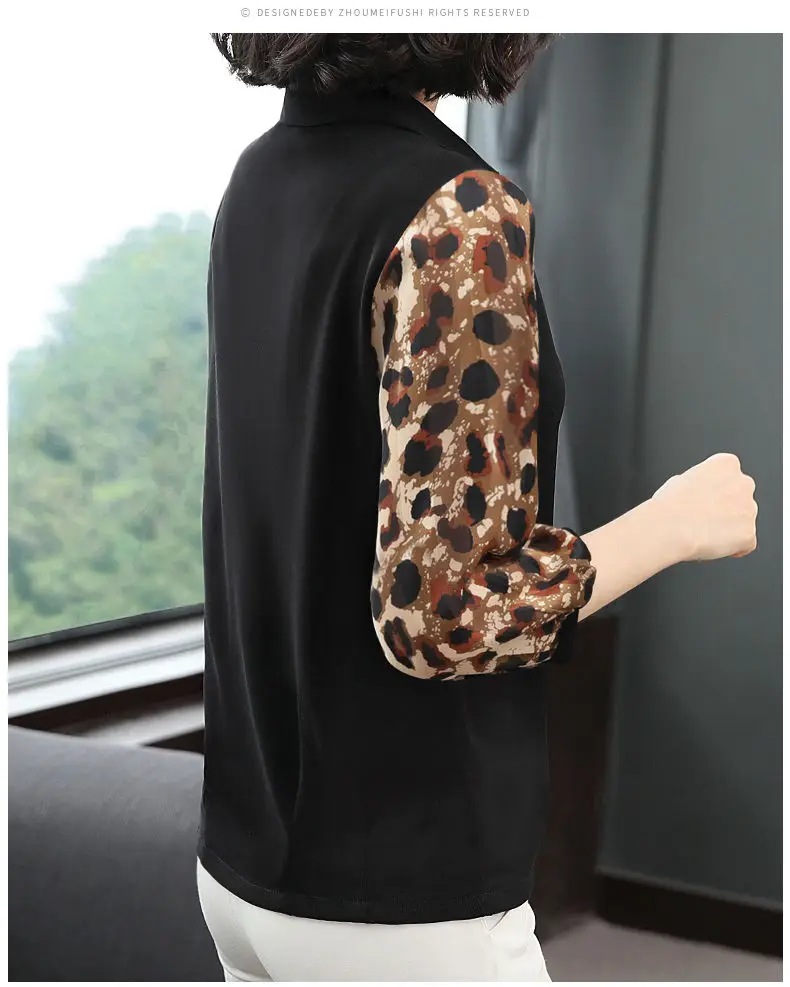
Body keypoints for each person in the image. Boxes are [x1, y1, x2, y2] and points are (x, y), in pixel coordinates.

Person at [196, 34, 758, 982]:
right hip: (402, 895)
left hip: (243, 874)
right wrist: (673, 524)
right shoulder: (457, 210)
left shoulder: (258, 178)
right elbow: (441, 613)